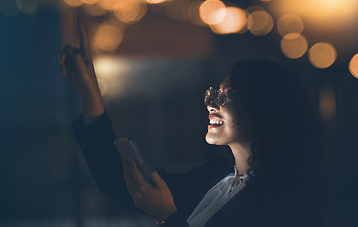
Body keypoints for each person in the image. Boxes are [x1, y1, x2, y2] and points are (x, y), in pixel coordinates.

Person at [59, 20, 324, 227]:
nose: (211, 104)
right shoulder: (216, 179)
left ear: (263, 109)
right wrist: (89, 92)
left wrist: (167, 216)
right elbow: (117, 182)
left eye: (227, 95)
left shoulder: (286, 203)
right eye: (213, 94)